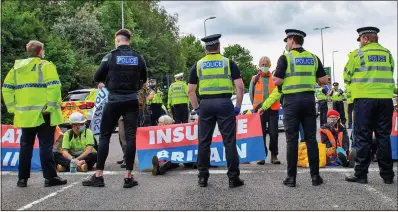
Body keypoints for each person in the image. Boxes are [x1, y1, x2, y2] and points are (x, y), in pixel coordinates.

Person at [83, 29, 147, 188]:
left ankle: (99, 176)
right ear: (129, 40)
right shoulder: (139, 57)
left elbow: (97, 76)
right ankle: (128, 177)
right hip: (132, 100)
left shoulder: (110, 56)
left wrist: (108, 79)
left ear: (117, 40)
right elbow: (144, 78)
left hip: (114, 100)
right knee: (131, 137)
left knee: (104, 136)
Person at [2, 40, 67, 188]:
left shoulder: (16, 69)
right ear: (40, 52)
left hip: (25, 115)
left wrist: (12, 108)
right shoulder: (46, 66)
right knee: (45, 145)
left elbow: (6, 89)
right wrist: (50, 107)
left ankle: (22, 179)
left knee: (25, 146)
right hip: (44, 114)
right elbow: (54, 87)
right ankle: (50, 178)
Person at [272, 29, 328, 187]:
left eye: (287, 41)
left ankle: (291, 178)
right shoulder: (313, 57)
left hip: (291, 101)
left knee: (291, 140)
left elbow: (276, 81)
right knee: (311, 139)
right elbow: (324, 79)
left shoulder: (285, 58)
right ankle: (315, 177)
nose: (286, 44)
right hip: (309, 100)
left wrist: (278, 75)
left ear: (291, 40)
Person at [188, 34, 245, 188]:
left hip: (205, 105)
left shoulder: (198, 65)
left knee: (204, 142)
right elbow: (240, 87)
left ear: (206, 48)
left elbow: (191, 91)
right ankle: (233, 178)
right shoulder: (228, 63)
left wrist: (197, 109)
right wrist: (238, 107)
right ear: (219, 46)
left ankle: (202, 178)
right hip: (225, 104)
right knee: (229, 142)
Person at [344, 26, 395, 184]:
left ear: (365, 38)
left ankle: (361, 174)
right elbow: (391, 71)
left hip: (364, 100)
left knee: (363, 138)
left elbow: (347, 76)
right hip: (386, 100)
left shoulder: (357, 54)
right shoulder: (387, 53)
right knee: (384, 138)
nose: (360, 43)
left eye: (360, 40)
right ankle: (387, 176)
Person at [249, 56, 281, 165]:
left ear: (269, 65)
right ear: (259, 65)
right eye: (262, 64)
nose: (264, 66)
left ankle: (274, 155)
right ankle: (261, 156)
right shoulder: (255, 78)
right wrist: (255, 106)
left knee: (273, 133)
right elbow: (251, 93)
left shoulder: (274, 78)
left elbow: (277, 94)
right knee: (260, 134)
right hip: (259, 111)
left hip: (273, 109)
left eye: (266, 64)